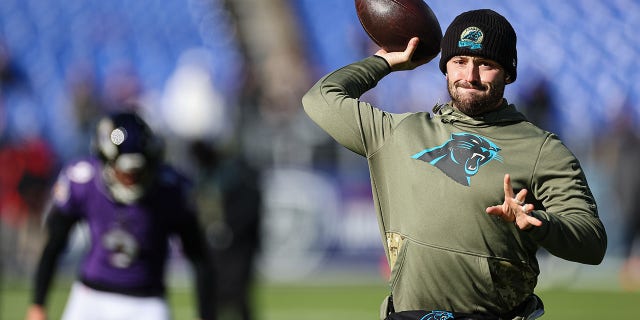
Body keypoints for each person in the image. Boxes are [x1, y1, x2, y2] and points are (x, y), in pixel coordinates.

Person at [302, 9, 607, 320]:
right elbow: (320, 99)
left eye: (485, 64)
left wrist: (540, 223)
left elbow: (592, 243)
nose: (470, 76)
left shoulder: (542, 149)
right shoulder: (399, 132)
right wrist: (385, 62)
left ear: (508, 73)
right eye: (459, 62)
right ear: (445, 68)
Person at [25, 110, 216, 320]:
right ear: (107, 162)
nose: (132, 178)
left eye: (139, 171)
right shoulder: (83, 180)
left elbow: (199, 258)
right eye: (126, 172)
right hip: (91, 298)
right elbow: (54, 243)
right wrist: (38, 303)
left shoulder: (171, 189)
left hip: (147, 302)